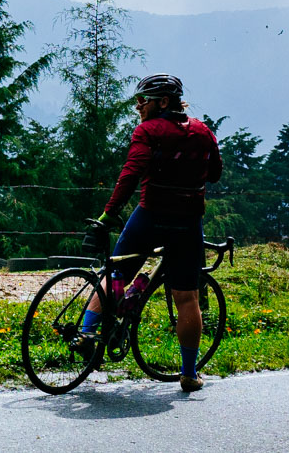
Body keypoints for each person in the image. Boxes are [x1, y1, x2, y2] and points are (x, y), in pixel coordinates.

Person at [79, 72, 222, 392]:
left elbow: (131, 175)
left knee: (116, 274)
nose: (138, 106)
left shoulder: (148, 131)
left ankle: (87, 335)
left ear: (163, 102)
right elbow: (214, 173)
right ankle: (189, 373)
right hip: (186, 224)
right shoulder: (203, 132)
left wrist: (108, 215)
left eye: (143, 101)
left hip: (150, 217)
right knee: (187, 297)